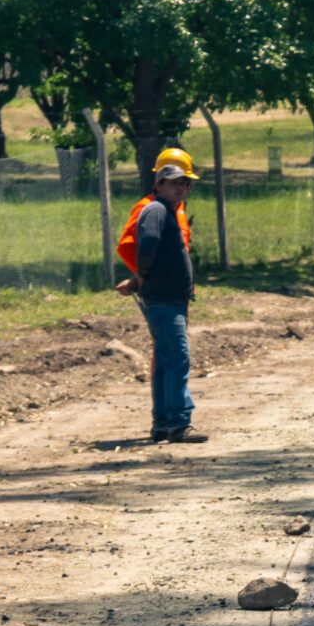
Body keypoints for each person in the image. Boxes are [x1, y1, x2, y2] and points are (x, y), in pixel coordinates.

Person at [117, 148, 206, 443]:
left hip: (169, 298)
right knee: (177, 358)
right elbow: (147, 248)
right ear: (159, 183)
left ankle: (163, 424)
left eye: (186, 183)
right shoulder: (155, 210)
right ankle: (178, 423)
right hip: (164, 300)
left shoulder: (166, 210)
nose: (181, 187)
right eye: (175, 182)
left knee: (167, 361)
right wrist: (140, 277)